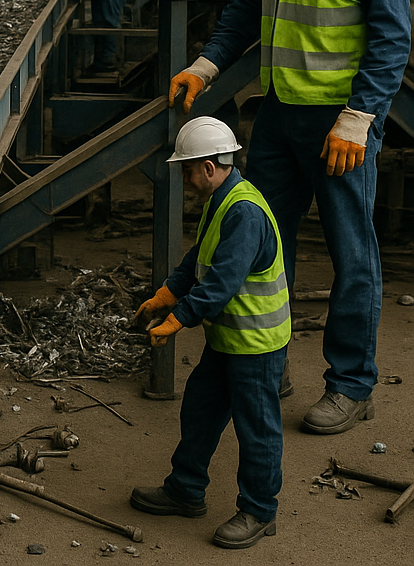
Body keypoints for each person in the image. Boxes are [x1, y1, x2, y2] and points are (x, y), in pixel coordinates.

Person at [168, 0, 410, 435]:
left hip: (339, 125)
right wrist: (206, 63)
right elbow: (250, 6)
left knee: (351, 255)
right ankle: (267, 364)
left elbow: (392, 33)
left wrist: (358, 119)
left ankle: (352, 385)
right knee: (257, 242)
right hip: (277, 117)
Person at [131, 117, 289, 550]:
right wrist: (168, 292)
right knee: (200, 410)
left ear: (208, 165)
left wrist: (178, 318)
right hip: (229, 340)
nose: (185, 177)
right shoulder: (223, 199)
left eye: (187, 168)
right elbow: (200, 258)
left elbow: (221, 283)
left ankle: (259, 510)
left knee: (257, 428)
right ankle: (185, 488)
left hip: (254, 345)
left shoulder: (243, 211)